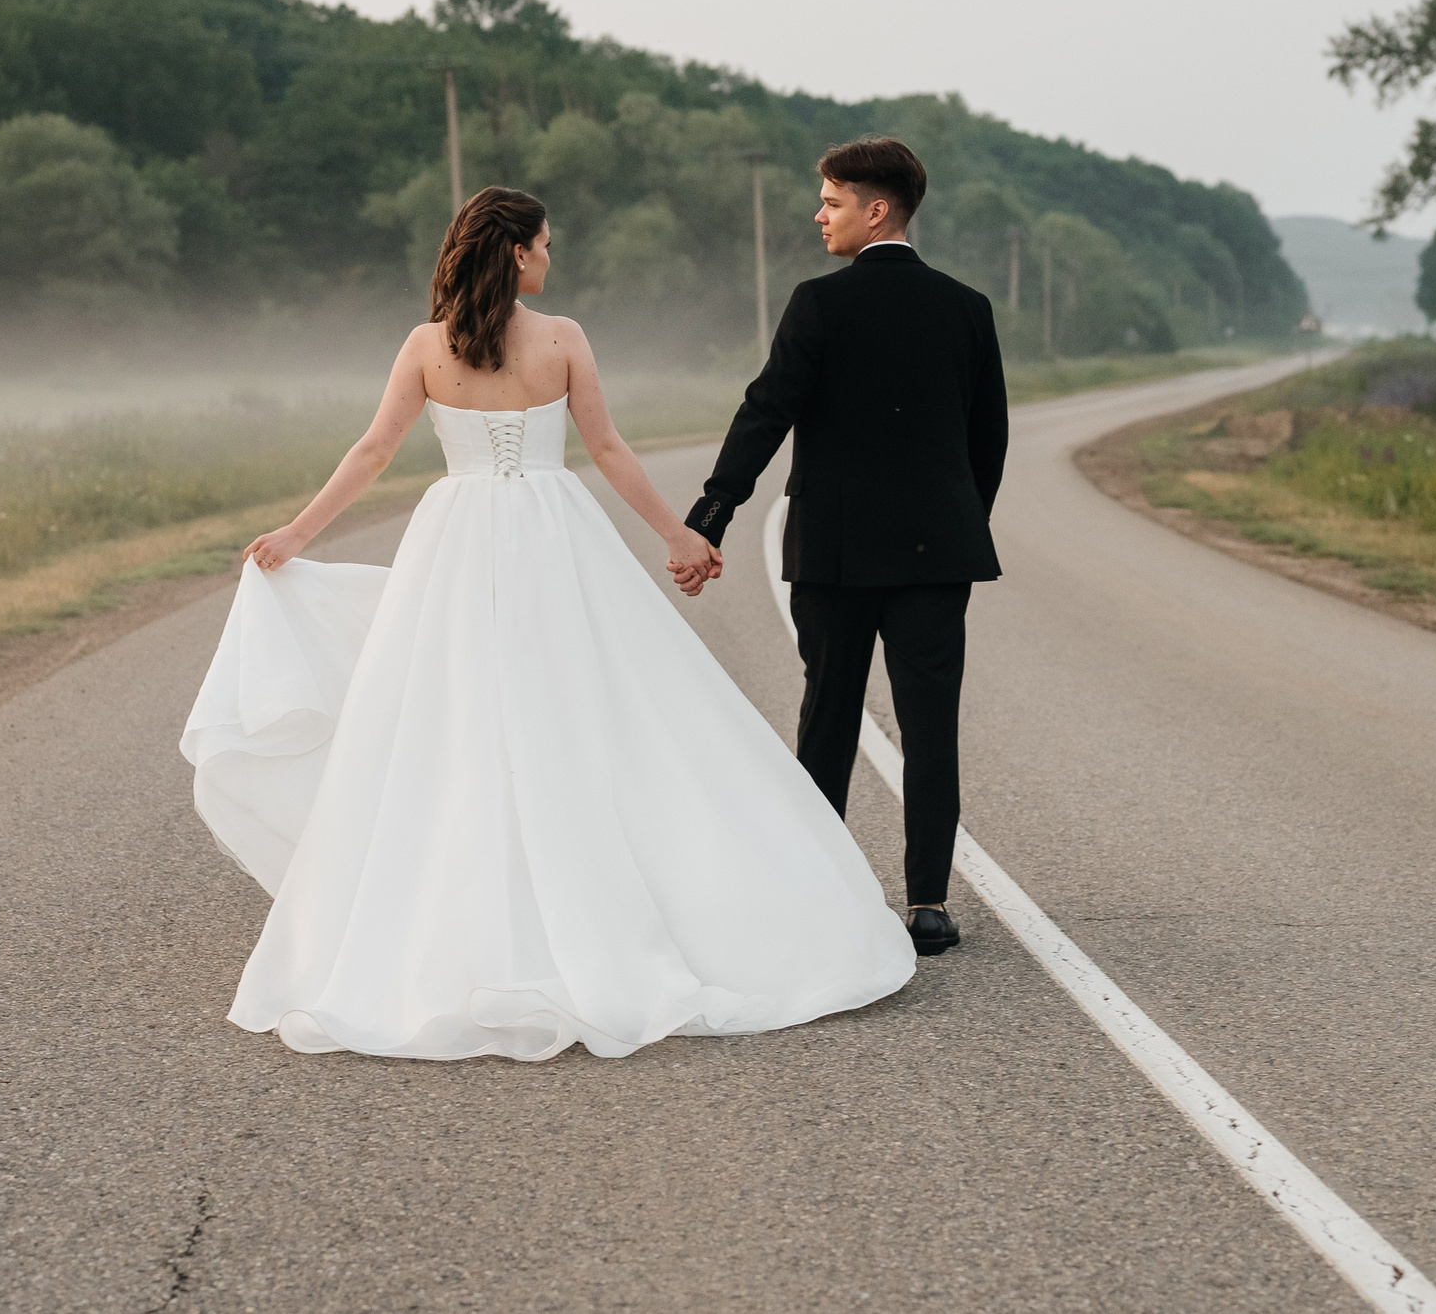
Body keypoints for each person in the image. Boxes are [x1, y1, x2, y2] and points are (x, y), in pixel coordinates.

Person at [179, 185, 916, 1061]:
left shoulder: (427, 345)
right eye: (547, 244)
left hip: (454, 536)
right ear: (519, 252)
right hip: (552, 532)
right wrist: (680, 535)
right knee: (580, 706)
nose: (551, 256)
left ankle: (462, 915)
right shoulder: (562, 338)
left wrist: (299, 532)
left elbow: (372, 450)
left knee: (453, 719)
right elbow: (607, 449)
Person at [683, 136, 1008, 958]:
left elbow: (765, 412)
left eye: (830, 201)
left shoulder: (817, 304)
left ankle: (819, 896)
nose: (817, 214)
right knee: (931, 725)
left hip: (832, 551)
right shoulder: (967, 307)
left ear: (877, 209)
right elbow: (988, 441)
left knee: (828, 715)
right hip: (937, 554)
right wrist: (958, 523)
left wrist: (712, 513)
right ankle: (929, 905)